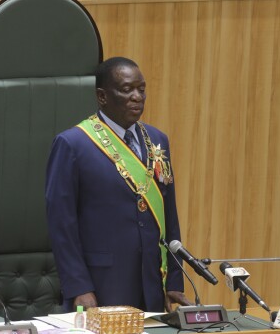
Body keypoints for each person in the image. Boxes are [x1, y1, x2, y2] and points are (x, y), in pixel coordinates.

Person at [45, 56, 192, 312]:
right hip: (102, 283)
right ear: (102, 96)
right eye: (126, 90)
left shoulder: (158, 140)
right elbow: (62, 225)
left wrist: (174, 281)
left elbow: (170, 216)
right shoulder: (73, 144)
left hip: (152, 281)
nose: (137, 97)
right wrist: (78, 286)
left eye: (141, 89)